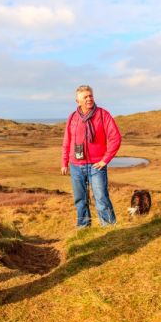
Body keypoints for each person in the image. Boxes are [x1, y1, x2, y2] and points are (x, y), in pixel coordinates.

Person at [61, 85, 121, 228]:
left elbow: (115, 138)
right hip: (76, 165)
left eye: (90, 96)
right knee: (80, 199)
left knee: (101, 197)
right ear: (78, 101)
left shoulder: (102, 114)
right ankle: (83, 228)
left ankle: (109, 228)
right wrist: (64, 162)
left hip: (96, 165)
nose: (89, 99)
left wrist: (104, 160)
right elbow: (67, 141)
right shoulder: (72, 117)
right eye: (85, 97)